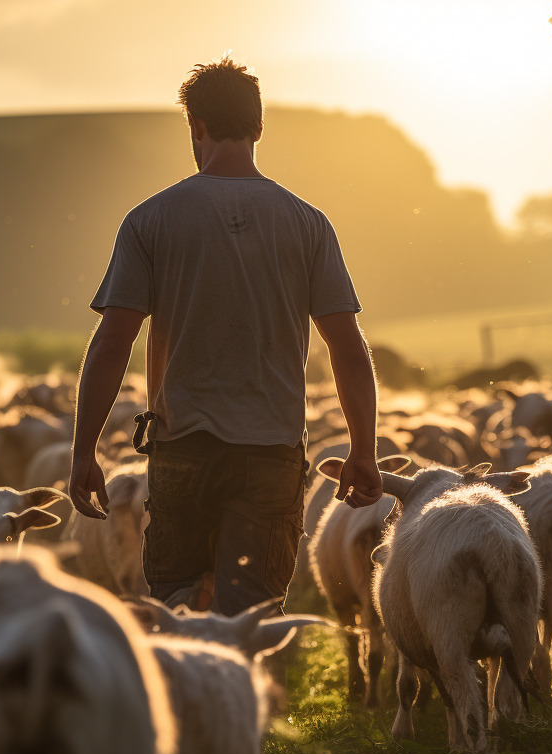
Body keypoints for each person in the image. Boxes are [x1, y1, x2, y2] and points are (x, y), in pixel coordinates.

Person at [68, 55, 381, 615]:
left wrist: (84, 449)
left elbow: (113, 342)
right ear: (260, 128)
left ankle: (187, 695)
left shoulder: (151, 219)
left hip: (183, 449)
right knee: (248, 614)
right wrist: (363, 451)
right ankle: (241, 697)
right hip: (271, 452)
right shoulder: (307, 222)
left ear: (196, 127)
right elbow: (348, 348)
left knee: (178, 609)